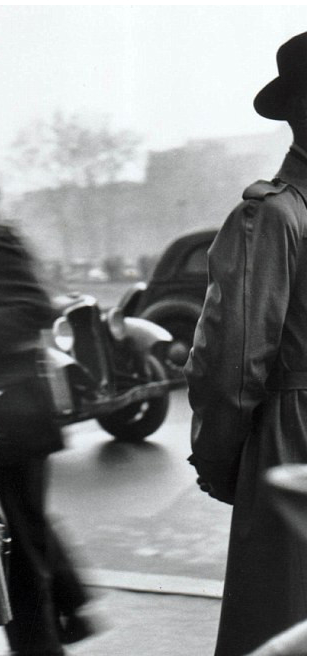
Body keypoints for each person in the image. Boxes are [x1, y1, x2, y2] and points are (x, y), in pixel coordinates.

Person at [184, 31, 306, 655]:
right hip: (293, 437)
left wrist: (218, 460)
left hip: (291, 447)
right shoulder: (277, 215)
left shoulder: (278, 215)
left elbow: (229, 366)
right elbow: (233, 365)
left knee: (279, 624)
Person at [0, 156, 92, 655]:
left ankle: (45, 643)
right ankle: (72, 612)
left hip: (14, 413)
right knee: (26, 529)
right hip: (18, 412)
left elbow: (32, 308)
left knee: (19, 549)